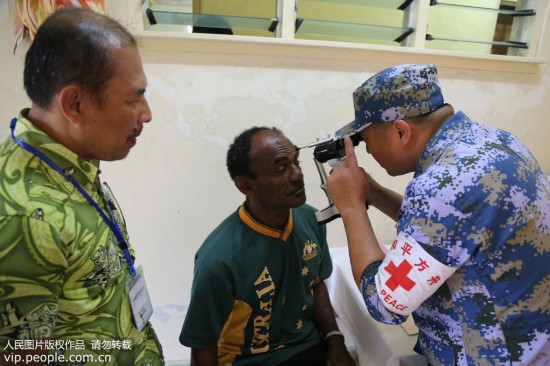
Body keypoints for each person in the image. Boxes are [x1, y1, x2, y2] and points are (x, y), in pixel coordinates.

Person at [326, 64, 550, 365]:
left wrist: (351, 207)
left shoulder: (440, 186)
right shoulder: (497, 142)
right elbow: (451, 231)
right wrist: (374, 194)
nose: (368, 153)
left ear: (401, 131)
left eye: (367, 141)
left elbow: (384, 304)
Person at [0, 8, 164, 365]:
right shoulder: (26, 216)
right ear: (75, 104)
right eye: (133, 98)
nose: (146, 113)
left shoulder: (71, 162)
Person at [179, 127, 355, 365]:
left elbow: (316, 284)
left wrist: (336, 341)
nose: (297, 175)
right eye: (281, 168)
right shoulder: (218, 259)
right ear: (245, 186)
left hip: (307, 346)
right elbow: (202, 345)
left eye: (296, 162)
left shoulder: (311, 220)